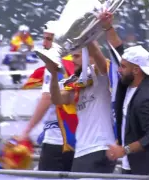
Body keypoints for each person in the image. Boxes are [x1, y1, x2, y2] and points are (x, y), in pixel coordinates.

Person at [46, 40, 116, 173]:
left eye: (76, 56)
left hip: (100, 147)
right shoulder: (75, 82)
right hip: (82, 150)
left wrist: (88, 38)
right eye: (72, 56)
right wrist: (54, 74)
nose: (72, 60)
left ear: (90, 56)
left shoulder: (101, 74)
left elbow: (97, 55)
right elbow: (57, 99)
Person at [20, 21, 74, 171]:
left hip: (56, 139)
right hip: (76, 138)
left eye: (49, 39)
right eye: (44, 38)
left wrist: (26, 131)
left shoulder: (54, 65)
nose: (44, 44)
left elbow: (46, 98)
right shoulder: (76, 62)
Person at [106, 45, 149, 175]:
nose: (119, 70)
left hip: (145, 169)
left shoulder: (148, 96)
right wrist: (120, 141)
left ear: (136, 70)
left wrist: (124, 149)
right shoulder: (127, 86)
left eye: (123, 66)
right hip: (129, 165)